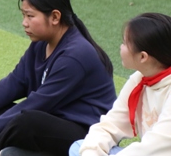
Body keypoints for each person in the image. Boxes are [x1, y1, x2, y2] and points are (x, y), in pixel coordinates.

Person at [0, 0, 116, 156]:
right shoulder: (41, 44)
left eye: (30, 16)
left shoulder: (76, 55)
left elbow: (39, 103)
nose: (24, 23)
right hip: (54, 122)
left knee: (26, 120)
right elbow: (13, 83)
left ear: (55, 17)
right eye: (23, 16)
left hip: (88, 135)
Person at [70, 12, 171, 156]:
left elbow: (155, 147)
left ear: (143, 57)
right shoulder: (140, 79)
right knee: (79, 147)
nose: (121, 47)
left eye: (124, 43)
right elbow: (110, 125)